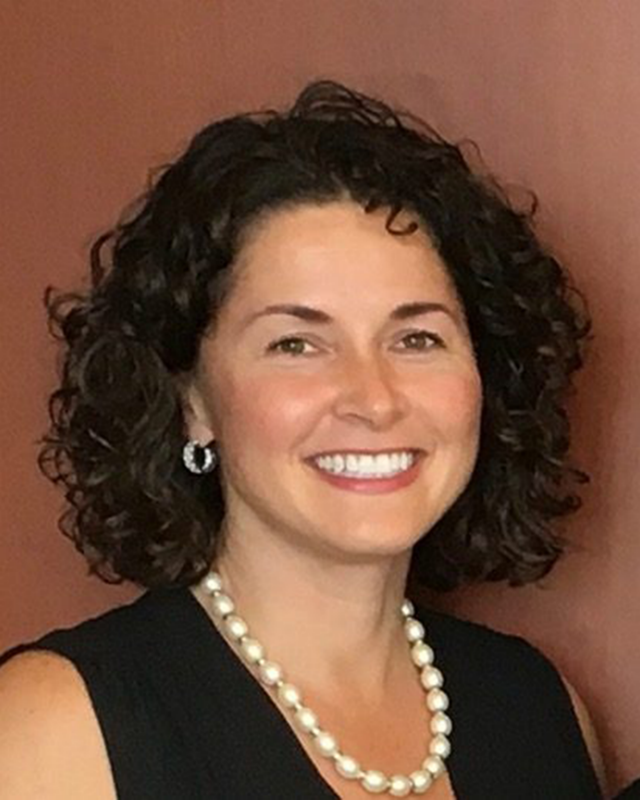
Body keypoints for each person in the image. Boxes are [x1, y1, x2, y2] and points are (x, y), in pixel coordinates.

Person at [0, 80, 605, 799]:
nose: (374, 398)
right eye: (296, 344)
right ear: (191, 401)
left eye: (416, 337)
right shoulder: (53, 728)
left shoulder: (537, 705)